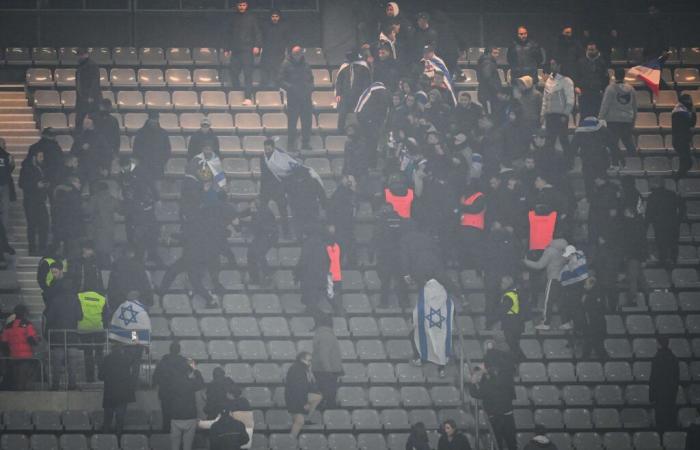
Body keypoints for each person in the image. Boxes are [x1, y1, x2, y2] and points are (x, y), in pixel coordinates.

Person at [44, 265, 83, 390]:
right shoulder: (75, 299)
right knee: (72, 363)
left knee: (56, 363)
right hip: (71, 335)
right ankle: (72, 385)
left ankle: (55, 385)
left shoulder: (55, 300)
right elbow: (80, 316)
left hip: (57, 336)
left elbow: (49, 317)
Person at [118, 156, 160, 264]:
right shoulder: (121, 174)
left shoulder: (141, 171)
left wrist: (156, 198)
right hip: (131, 208)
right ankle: (136, 257)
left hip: (144, 207)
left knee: (148, 231)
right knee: (132, 233)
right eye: (122, 168)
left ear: (129, 164)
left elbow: (151, 185)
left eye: (125, 167)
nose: (123, 170)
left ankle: (151, 255)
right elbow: (124, 190)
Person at [469, 361, 517, 450]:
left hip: (495, 416)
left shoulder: (489, 383)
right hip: (507, 414)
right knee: (511, 442)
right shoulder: (505, 378)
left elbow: (476, 393)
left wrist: (472, 383)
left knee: (497, 443)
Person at [412, 278, 454, 378]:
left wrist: (415, 321)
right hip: (441, 328)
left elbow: (418, 309)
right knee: (440, 345)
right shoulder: (446, 299)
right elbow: (451, 312)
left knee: (423, 340)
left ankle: (422, 358)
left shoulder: (425, 295)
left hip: (427, 325)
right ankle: (441, 369)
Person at [523, 238, 568, 330]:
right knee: (562, 302)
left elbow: (539, 265)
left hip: (553, 279)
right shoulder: (564, 250)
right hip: (563, 279)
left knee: (548, 302)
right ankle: (566, 322)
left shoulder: (550, 251)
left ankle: (546, 323)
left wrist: (526, 262)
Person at [225, 0, 261, 103]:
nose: (241, 7)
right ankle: (237, 92)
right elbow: (229, 33)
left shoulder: (252, 17)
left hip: (247, 50)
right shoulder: (233, 17)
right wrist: (227, 48)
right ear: (237, 6)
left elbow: (257, 32)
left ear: (246, 6)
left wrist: (257, 46)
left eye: (243, 5)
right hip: (236, 50)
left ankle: (248, 97)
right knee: (233, 72)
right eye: (240, 5)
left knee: (248, 74)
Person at [279, 45, 314, 151]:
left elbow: (311, 78)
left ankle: (305, 143)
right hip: (293, 98)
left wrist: (310, 88)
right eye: (295, 54)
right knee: (292, 123)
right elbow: (280, 80)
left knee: (307, 122)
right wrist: (291, 88)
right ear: (292, 54)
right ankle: (291, 144)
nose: (297, 56)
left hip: (306, 97)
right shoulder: (285, 64)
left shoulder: (306, 64)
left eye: (299, 54)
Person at [599, 67, 637, 158]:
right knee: (628, 142)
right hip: (627, 120)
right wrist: (633, 119)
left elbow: (605, 105)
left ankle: (616, 164)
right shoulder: (631, 89)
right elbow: (634, 106)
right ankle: (633, 161)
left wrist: (600, 117)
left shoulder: (610, 88)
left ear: (614, 76)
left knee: (613, 144)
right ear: (624, 76)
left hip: (613, 120)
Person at [646, 177, 683, 268]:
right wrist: (678, 220)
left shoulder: (652, 196)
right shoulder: (672, 194)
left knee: (661, 245)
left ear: (655, 184)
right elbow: (682, 208)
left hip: (660, 225)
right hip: (673, 225)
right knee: (673, 244)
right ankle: (674, 263)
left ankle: (662, 264)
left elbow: (649, 214)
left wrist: (646, 225)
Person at [541, 59, 575, 158]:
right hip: (550, 115)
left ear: (559, 65)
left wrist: (565, 114)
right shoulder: (548, 80)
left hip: (561, 115)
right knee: (549, 141)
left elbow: (570, 99)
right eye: (551, 64)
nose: (552, 66)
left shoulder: (567, 81)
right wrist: (543, 113)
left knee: (563, 140)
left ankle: (569, 162)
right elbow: (545, 99)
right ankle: (550, 164)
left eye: (554, 64)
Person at [100, 342, 137, 433]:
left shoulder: (106, 359)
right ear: (121, 349)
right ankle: (119, 441)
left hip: (110, 394)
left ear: (112, 349)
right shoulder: (126, 359)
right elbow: (133, 374)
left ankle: (105, 442)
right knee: (120, 420)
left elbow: (100, 376)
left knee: (107, 420)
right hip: (122, 394)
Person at [0, 304, 39, 390]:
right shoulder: (28, 324)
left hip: (13, 356)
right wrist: (37, 342)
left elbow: (4, 342)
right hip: (26, 356)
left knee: (16, 377)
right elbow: (31, 339)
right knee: (26, 376)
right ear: (25, 313)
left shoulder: (8, 326)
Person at [169, 359, 205, 450]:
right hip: (190, 417)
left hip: (175, 417)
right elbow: (201, 385)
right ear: (187, 371)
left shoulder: (172, 383)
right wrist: (195, 370)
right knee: (187, 447)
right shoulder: (192, 383)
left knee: (174, 447)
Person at [19, 150, 50, 256]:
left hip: (40, 200)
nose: (42, 158)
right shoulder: (27, 169)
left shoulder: (42, 167)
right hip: (30, 201)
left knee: (44, 224)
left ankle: (42, 247)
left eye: (43, 155)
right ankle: (32, 248)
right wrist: (36, 185)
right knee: (32, 225)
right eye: (40, 156)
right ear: (34, 157)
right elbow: (21, 183)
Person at [153, 341, 189, 432]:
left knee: (166, 414)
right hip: (179, 394)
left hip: (165, 393)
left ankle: (166, 432)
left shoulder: (163, 361)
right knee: (178, 415)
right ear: (179, 350)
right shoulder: (183, 362)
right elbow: (188, 377)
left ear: (170, 350)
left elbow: (156, 377)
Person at [286, 351, 322, 438]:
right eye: (309, 360)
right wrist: (304, 403)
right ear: (302, 359)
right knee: (299, 422)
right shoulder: (297, 369)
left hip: (297, 397)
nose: (310, 362)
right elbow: (298, 388)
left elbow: (308, 386)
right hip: (295, 399)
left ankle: (307, 419)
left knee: (317, 397)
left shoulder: (303, 369)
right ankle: (289, 442)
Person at [295, 224, 330, 314]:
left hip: (309, 275)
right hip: (320, 274)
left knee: (309, 295)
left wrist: (296, 273)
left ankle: (312, 312)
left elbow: (303, 260)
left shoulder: (308, 244)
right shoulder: (324, 244)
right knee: (314, 296)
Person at [312, 312, 343, 409]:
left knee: (323, 393)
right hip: (327, 370)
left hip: (321, 369)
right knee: (329, 394)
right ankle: (329, 410)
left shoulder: (320, 334)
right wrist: (328, 370)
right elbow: (324, 355)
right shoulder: (327, 335)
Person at [335, 50, 371, 130]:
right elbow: (339, 81)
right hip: (345, 95)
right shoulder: (344, 67)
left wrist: (363, 95)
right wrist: (338, 93)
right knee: (342, 113)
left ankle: (359, 132)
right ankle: (340, 131)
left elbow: (366, 83)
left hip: (358, 96)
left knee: (359, 115)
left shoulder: (363, 67)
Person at [107, 245, 153, 309]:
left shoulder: (115, 268)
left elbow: (111, 292)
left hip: (119, 307)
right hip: (138, 307)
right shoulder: (140, 269)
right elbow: (148, 295)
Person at [650, 336, 680, 431]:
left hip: (659, 394)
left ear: (659, 344)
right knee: (670, 419)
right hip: (671, 394)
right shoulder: (674, 358)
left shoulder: (657, 358)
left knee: (661, 420)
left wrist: (652, 395)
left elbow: (654, 378)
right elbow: (676, 377)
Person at [77, 289, 107, 383]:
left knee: (88, 353)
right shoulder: (102, 298)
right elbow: (106, 315)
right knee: (99, 353)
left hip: (84, 329)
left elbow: (76, 312)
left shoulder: (79, 296)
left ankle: (90, 378)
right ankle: (102, 376)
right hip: (98, 329)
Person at [86, 181, 119, 268]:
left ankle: (101, 270)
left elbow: (88, 210)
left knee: (99, 252)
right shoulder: (112, 198)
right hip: (109, 228)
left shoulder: (94, 198)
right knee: (107, 251)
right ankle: (108, 269)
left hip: (98, 229)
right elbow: (119, 209)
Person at [573, 42, 609, 120]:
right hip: (584, 92)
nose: (591, 51)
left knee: (596, 116)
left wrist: (603, 90)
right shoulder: (580, 62)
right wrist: (576, 86)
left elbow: (605, 78)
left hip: (597, 93)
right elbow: (576, 76)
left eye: (592, 50)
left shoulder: (601, 62)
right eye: (589, 50)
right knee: (584, 115)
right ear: (586, 50)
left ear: (596, 50)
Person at [247, 200, 279, 286]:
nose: (252, 209)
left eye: (253, 208)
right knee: (250, 253)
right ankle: (254, 278)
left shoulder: (263, 213)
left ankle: (267, 275)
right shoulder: (257, 213)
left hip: (269, 235)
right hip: (261, 235)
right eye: (251, 208)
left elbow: (259, 227)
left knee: (259, 253)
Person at [71, 115, 110, 185]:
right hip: (82, 168)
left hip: (95, 168)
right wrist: (81, 148)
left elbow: (106, 153)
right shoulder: (80, 137)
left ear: (92, 123)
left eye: (87, 122)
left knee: (95, 188)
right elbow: (73, 152)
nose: (85, 123)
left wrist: (105, 167)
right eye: (84, 122)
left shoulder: (100, 137)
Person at [132, 111, 171, 180]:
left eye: (155, 119)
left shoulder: (163, 133)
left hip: (158, 166)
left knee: (156, 188)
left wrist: (163, 161)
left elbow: (167, 150)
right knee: (145, 187)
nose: (154, 121)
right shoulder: (140, 133)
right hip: (144, 165)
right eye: (153, 119)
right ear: (149, 119)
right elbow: (136, 150)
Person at [327, 175, 356, 266]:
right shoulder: (339, 194)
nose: (354, 183)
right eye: (351, 181)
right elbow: (331, 210)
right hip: (341, 225)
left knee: (346, 246)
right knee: (341, 246)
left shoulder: (348, 193)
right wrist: (331, 224)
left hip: (346, 224)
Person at [50, 176, 83, 256]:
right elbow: (77, 210)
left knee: (58, 243)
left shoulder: (60, 192)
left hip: (60, 223)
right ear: (73, 183)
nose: (80, 185)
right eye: (78, 182)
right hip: (70, 226)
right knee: (69, 248)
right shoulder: (74, 194)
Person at [558, 245, 589, 331]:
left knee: (576, 308)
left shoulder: (575, 262)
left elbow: (581, 274)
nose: (566, 257)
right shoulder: (577, 259)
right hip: (575, 286)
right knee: (574, 307)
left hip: (576, 286)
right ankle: (577, 327)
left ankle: (580, 328)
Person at [495, 275, 525, 361]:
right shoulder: (515, 292)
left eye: (503, 283)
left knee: (513, 345)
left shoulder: (509, 295)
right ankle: (521, 361)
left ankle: (522, 360)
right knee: (514, 345)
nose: (501, 284)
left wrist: (494, 318)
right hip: (516, 323)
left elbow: (503, 310)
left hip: (511, 324)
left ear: (508, 284)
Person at [74, 48, 102, 134]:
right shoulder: (81, 66)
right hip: (82, 100)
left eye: (80, 55)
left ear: (85, 55)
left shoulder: (91, 65)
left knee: (90, 122)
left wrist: (91, 96)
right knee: (80, 122)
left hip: (89, 100)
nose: (78, 57)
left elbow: (95, 82)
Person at [260, 9, 289, 88]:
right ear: (270, 17)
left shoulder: (284, 27)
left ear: (279, 17)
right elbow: (262, 39)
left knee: (278, 73)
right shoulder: (265, 27)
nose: (275, 18)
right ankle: (265, 90)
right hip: (267, 53)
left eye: (276, 16)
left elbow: (287, 40)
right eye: (273, 16)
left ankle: (278, 90)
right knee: (266, 72)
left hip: (279, 54)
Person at [580, 276, 607, 359]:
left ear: (592, 284)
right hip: (593, 323)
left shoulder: (596, 294)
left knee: (595, 343)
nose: (584, 286)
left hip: (596, 324)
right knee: (592, 343)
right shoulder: (588, 294)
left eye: (586, 284)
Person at [672, 93, 697, 179]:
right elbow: (692, 123)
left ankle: (679, 179)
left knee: (685, 163)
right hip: (681, 141)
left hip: (681, 141)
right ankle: (677, 179)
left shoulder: (679, 110)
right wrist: (693, 112)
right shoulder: (680, 112)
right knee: (687, 163)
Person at [477, 47, 502, 114]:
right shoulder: (487, 63)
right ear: (488, 53)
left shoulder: (487, 62)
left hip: (487, 93)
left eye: (497, 53)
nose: (497, 55)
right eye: (495, 53)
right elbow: (487, 78)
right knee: (490, 115)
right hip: (488, 94)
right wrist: (496, 91)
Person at [0, 137, 16, 232]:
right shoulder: (8, 156)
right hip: (5, 184)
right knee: (5, 210)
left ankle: (3, 233)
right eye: (3, 144)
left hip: (5, 185)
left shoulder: (8, 156)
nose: (5, 146)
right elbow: (10, 169)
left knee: (5, 210)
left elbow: (10, 169)